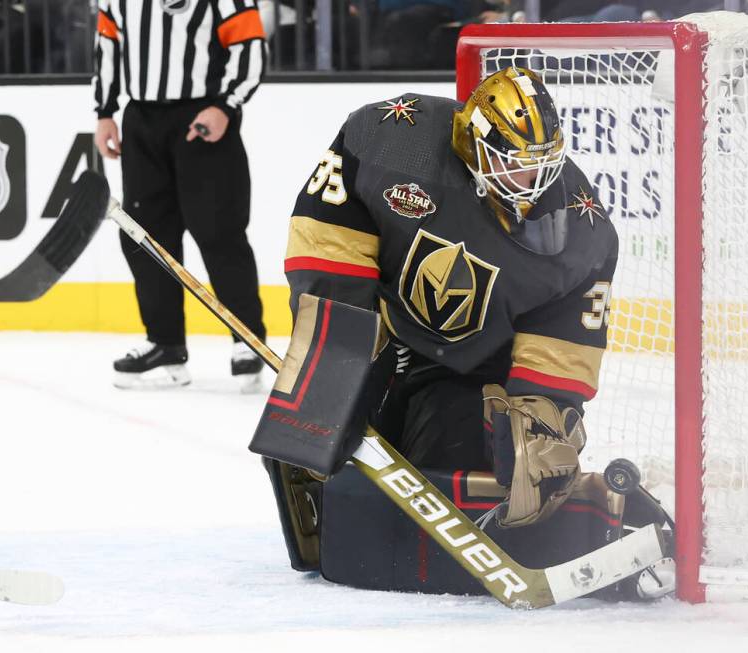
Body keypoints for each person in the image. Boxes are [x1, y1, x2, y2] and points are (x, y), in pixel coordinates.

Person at [264, 67, 620, 571]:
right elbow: (326, 240)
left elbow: (564, 340)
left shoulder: (583, 230)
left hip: (474, 367)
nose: (529, 182)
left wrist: (544, 417)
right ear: (473, 143)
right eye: (513, 163)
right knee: (314, 415)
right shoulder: (389, 141)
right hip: (384, 331)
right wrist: (336, 360)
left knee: (456, 479)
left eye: (540, 164)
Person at [93, 0, 268, 390]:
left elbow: (250, 45)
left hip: (203, 119)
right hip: (141, 122)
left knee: (219, 231)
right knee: (145, 237)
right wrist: (104, 111)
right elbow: (108, 44)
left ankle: (247, 340)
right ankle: (165, 343)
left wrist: (226, 105)